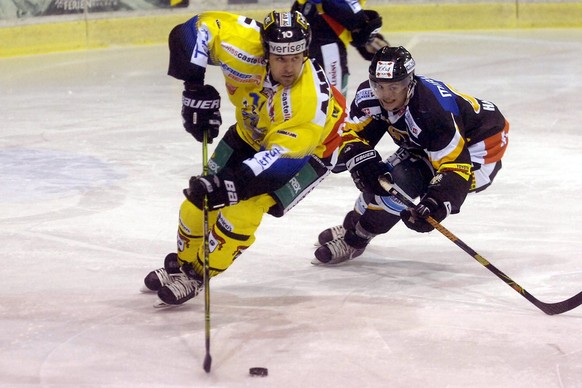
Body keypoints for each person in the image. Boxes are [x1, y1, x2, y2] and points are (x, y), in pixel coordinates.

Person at [142, 10, 347, 305]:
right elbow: (189, 31)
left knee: (240, 211)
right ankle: (184, 263)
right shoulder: (242, 43)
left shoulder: (307, 99)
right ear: (264, 52)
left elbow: (281, 162)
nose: (289, 68)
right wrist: (194, 89)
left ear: (306, 52)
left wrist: (229, 184)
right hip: (251, 131)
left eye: (295, 57)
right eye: (280, 58)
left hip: (309, 153)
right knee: (194, 207)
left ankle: (198, 274)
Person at [313, 46, 510, 265]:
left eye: (394, 87)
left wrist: (437, 202)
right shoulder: (370, 96)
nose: (386, 95)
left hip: (479, 151)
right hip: (427, 143)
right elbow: (349, 134)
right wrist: (358, 156)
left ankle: (356, 239)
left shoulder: (431, 112)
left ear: (409, 82)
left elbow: (455, 167)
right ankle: (354, 222)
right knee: (379, 176)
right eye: (379, 86)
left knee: (405, 182)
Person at [291, 0, 389, 96]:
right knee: (331, 102)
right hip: (324, 42)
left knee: (330, 101)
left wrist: (363, 34)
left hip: (317, 33)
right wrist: (361, 28)